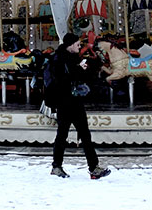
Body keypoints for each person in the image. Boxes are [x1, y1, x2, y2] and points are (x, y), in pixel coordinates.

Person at [45, 32, 111, 180]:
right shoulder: (59, 59)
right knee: (64, 134)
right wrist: (79, 69)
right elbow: (63, 79)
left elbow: (80, 76)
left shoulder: (74, 58)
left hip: (74, 101)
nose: (79, 46)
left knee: (83, 134)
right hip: (64, 102)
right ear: (70, 45)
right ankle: (58, 166)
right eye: (77, 44)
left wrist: (87, 68)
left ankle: (92, 167)